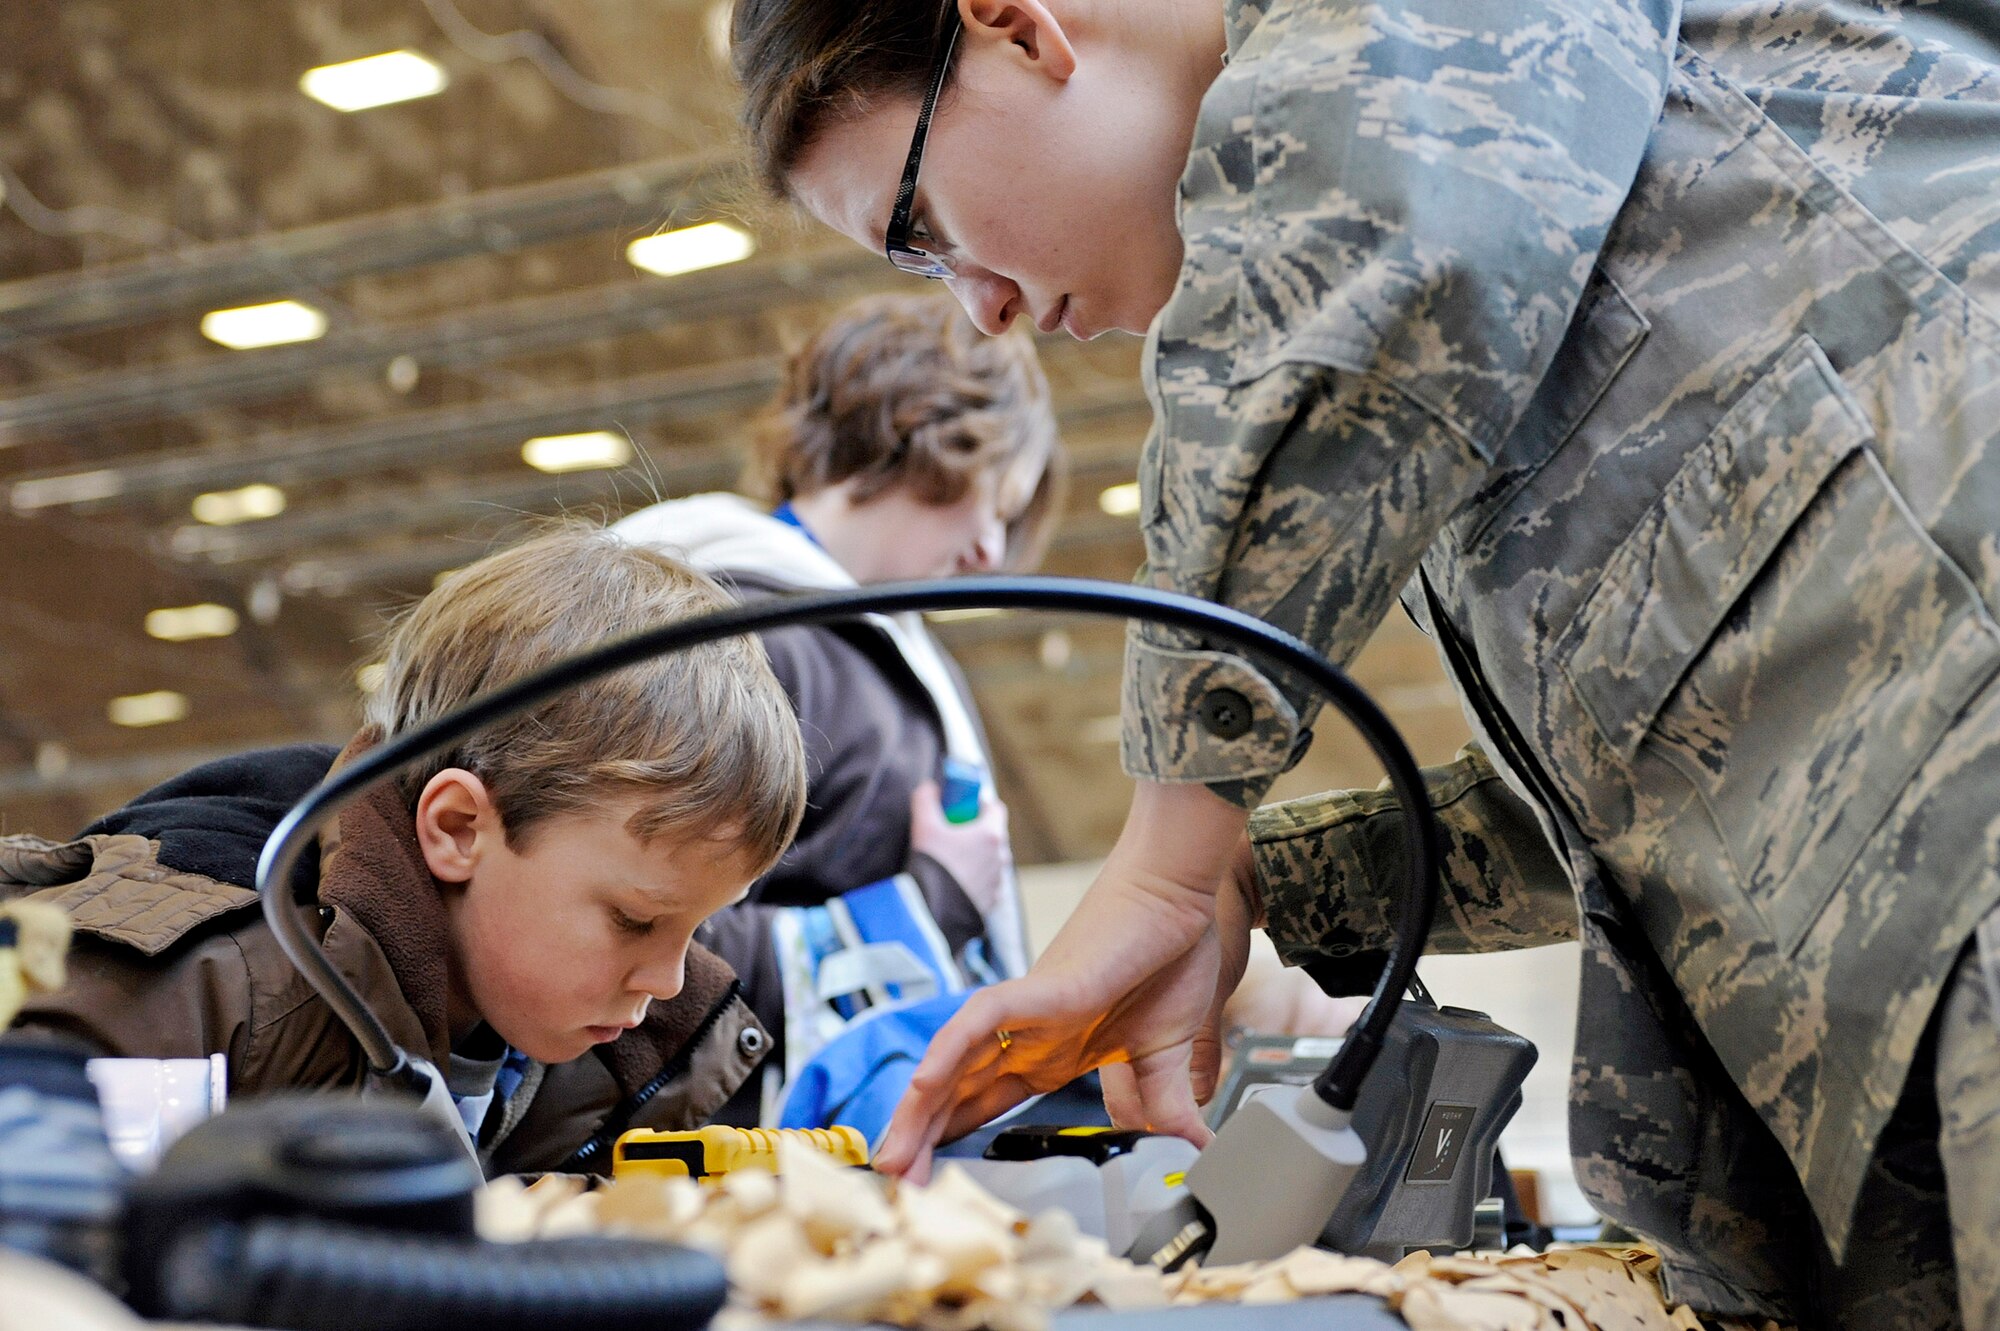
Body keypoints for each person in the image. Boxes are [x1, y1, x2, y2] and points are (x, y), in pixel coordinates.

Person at [726, 0, 2000, 1325]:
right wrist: (1255, 882)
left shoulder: (1403, 98)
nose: (980, 310)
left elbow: (1377, 224)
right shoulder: (1530, 295)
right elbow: (1682, 778)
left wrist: (1165, 853)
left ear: (1014, 26)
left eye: (922, 230)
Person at [0, 525, 807, 1175]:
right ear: (458, 829)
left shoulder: (601, 1045)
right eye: (634, 919)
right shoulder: (183, 995)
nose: (668, 980)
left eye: (697, 927)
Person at [612, 291, 1062, 1130]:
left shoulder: (874, 644)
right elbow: (635, 917)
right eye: (992, 501)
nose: (991, 551)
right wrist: (931, 903)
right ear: (922, 429)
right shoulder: (749, 634)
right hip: (731, 1144)